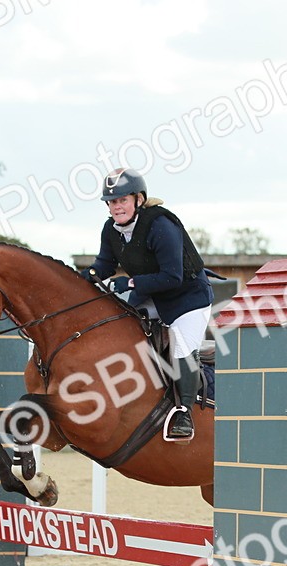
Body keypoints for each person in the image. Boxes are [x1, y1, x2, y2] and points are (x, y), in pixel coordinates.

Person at [84, 168, 213, 442]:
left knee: (180, 346)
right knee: (123, 331)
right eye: (112, 201)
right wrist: (81, 279)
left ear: (138, 199)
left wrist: (130, 284)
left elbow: (172, 276)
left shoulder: (160, 225)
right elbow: (104, 265)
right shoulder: (111, 229)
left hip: (188, 299)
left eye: (122, 200)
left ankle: (184, 413)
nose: (117, 206)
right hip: (153, 296)